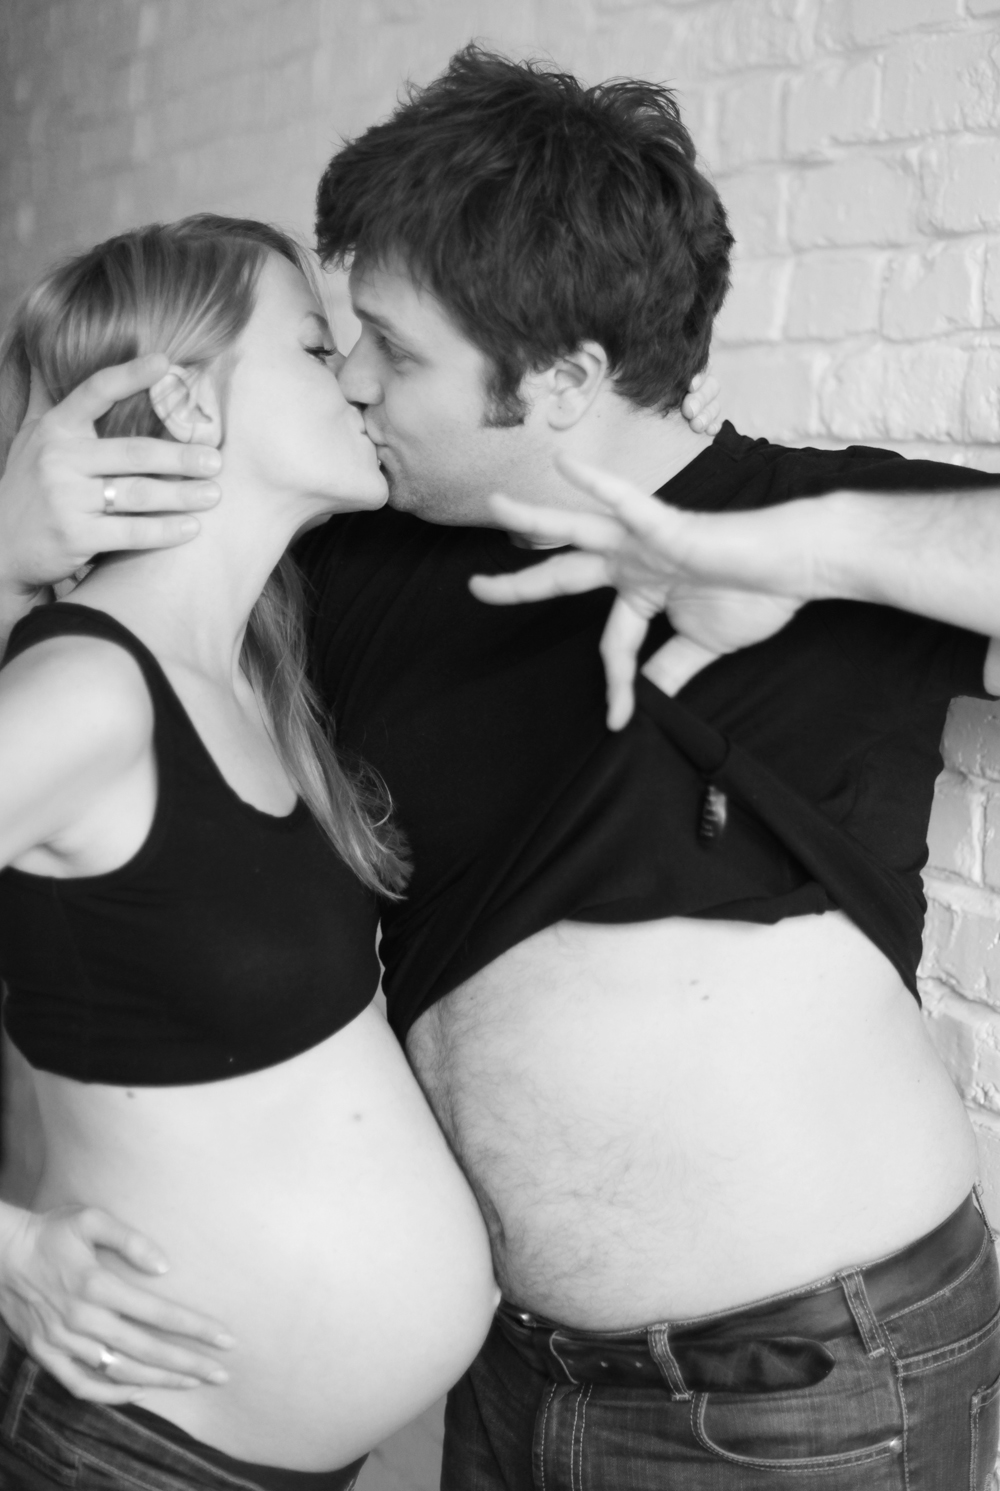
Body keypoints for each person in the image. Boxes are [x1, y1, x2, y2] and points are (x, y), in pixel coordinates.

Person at [3, 45, 1000, 1490]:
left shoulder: (811, 528)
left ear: (562, 379)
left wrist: (817, 552)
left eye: (391, 351)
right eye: (336, 338)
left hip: (801, 1396)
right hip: (511, 1388)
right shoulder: (347, 558)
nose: (354, 379)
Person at [0, 214, 498, 1490]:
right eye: (316, 347)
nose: (355, 380)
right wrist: (5, 1252)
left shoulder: (253, 674)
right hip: (134, 1455)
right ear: (183, 397)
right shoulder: (87, 694)